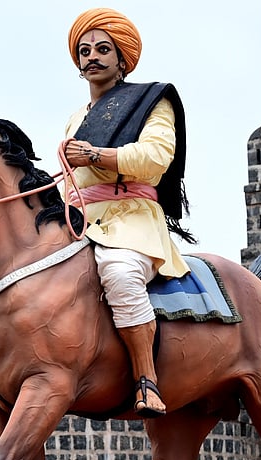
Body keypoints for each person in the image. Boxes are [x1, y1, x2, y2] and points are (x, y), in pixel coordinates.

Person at [63, 8, 194, 418]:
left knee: (119, 272)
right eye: (84, 51)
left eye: (104, 49)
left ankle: (146, 380)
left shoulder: (151, 102)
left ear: (123, 59)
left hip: (130, 220)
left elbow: (156, 158)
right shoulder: (75, 119)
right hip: (81, 221)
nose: (92, 57)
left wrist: (95, 154)